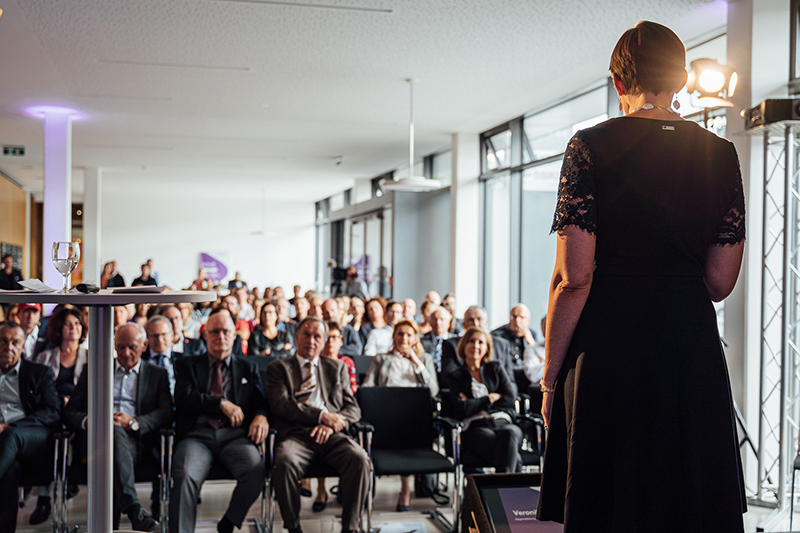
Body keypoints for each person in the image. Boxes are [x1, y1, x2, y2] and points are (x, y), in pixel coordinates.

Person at [536, 21, 746, 531]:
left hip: (609, 353)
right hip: (689, 349)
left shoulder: (589, 145)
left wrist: (549, 379)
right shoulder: (719, 153)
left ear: (618, 81)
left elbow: (574, 278)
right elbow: (719, 283)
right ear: (681, 79)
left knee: (609, 504)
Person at [169, 309, 269, 533]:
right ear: (205, 335)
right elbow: (185, 398)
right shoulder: (187, 364)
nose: (220, 337)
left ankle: (229, 521)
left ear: (234, 335)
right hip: (197, 437)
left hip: (235, 437)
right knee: (184, 476)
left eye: (225, 331)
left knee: (256, 470)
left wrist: (261, 417)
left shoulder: (248, 367)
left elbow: (260, 402)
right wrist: (221, 404)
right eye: (214, 332)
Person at [267, 317, 371, 533]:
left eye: (317, 336)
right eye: (306, 335)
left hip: (331, 435)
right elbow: (281, 405)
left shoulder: (337, 367)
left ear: (324, 342)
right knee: (284, 462)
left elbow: (353, 409)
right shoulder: (279, 368)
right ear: (297, 337)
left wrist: (332, 425)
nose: (311, 341)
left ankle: (350, 527)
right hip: (296, 435)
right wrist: (322, 416)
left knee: (360, 459)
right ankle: (293, 527)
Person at [65, 323, 171, 532]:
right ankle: (134, 510)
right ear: (114, 345)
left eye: (132, 347)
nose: (126, 353)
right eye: (120, 347)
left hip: (135, 442)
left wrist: (133, 423)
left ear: (144, 345)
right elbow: (70, 413)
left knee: (111, 449)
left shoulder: (156, 374)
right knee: (110, 436)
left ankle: (110, 526)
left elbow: (165, 412)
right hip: (93, 442)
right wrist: (93, 422)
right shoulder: (94, 370)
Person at [362, 318, 438, 511]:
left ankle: (405, 489)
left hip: (414, 414)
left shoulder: (424, 359)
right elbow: (367, 388)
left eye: (409, 335)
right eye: (400, 334)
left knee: (410, 433)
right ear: (393, 337)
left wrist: (416, 362)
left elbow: (433, 391)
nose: (404, 338)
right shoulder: (381, 359)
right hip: (386, 413)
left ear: (415, 338)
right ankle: (401, 487)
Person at [0, 321, 61, 532]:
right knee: (10, 470)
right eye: (3, 341)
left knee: (11, 436)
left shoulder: (39, 373)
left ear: (23, 345)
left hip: (30, 436)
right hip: (5, 449)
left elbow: (52, 411)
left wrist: (10, 426)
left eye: (15, 342)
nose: (9, 347)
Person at [449, 327, 521, 473]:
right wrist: (490, 398)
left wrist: (474, 403)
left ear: (487, 348)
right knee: (512, 454)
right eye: (471, 341)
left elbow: (510, 398)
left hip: (502, 422)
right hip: (476, 427)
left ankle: (502, 485)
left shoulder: (495, 368)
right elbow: (461, 408)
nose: (476, 346)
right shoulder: (456, 376)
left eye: (481, 342)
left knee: (510, 433)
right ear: (464, 345)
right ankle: (509, 485)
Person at [307, 320, 359, 513]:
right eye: (327, 337)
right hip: (319, 415)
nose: (331, 342)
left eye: (335, 337)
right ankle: (320, 489)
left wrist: (335, 419)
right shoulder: (314, 362)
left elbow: (351, 392)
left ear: (341, 341)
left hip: (341, 414)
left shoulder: (346, 363)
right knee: (317, 435)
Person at [440, 306, 517, 388]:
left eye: (479, 319)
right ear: (464, 324)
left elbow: (510, 381)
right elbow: (449, 377)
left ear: (486, 323)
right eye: (471, 320)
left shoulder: (502, 345)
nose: (475, 324)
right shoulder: (451, 344)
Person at [143, 315, 177, 395]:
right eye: (155, 336)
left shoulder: (182, 359)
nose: (160, 340)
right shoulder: (140, 360)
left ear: (172, 335)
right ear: (147, 337)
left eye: (164, 334)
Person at [420, 306, 454, 375]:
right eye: (435, 319)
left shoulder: (454, 341)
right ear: (430, 322)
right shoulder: (422, 341)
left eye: (442, 319)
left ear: (448, 323)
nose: (438, 323)